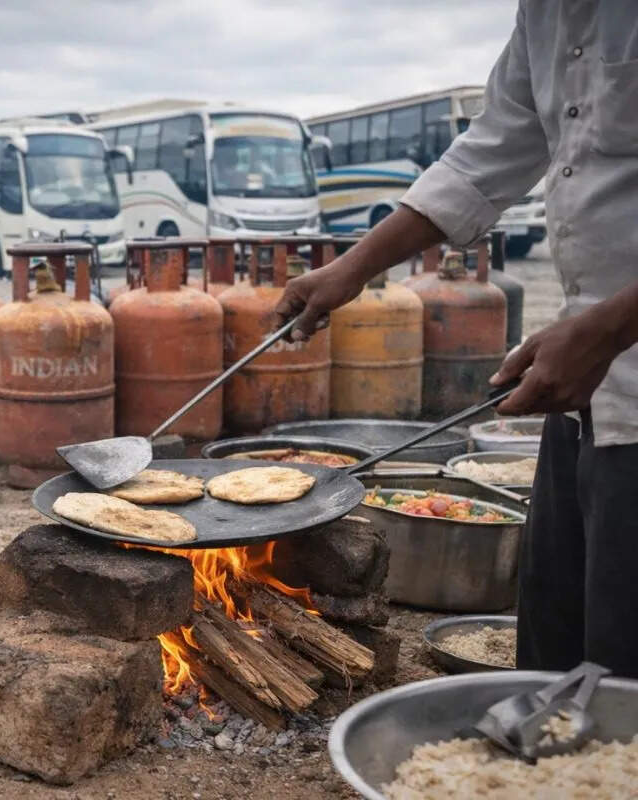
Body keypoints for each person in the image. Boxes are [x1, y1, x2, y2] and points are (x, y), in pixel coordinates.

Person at [275, 1, 638, 678]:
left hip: (610, 357)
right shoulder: (546, 14)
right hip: (587, 388)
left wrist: (611, 328)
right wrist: (352, 269)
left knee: (623, 671)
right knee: (555, 646)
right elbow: (492, 149)